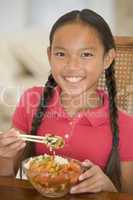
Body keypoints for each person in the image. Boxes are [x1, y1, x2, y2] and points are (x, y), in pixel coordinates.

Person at [0, 9, 133, 194]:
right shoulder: (32, 101)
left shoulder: (126, 126)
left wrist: (107, 188)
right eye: (61, 54)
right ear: (49, 55)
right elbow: (10, 177)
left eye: (86, 54)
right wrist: (4, 156)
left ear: (107, 59)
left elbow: (128, 193)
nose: (72, 66)